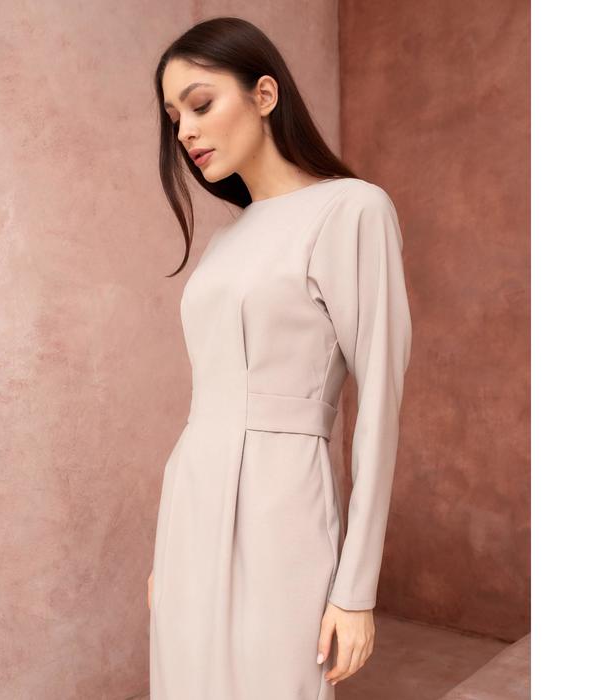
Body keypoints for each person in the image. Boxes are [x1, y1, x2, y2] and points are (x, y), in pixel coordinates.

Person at [147, 16, 412, 700]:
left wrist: (355, 589)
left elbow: (379, 408)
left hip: (281, 506)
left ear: (264, 95)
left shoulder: (352, 209)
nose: (186, 132)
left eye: (201, 104)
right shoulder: (222, 245)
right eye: (174, 119)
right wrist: (167, 552)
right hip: (190, 505)